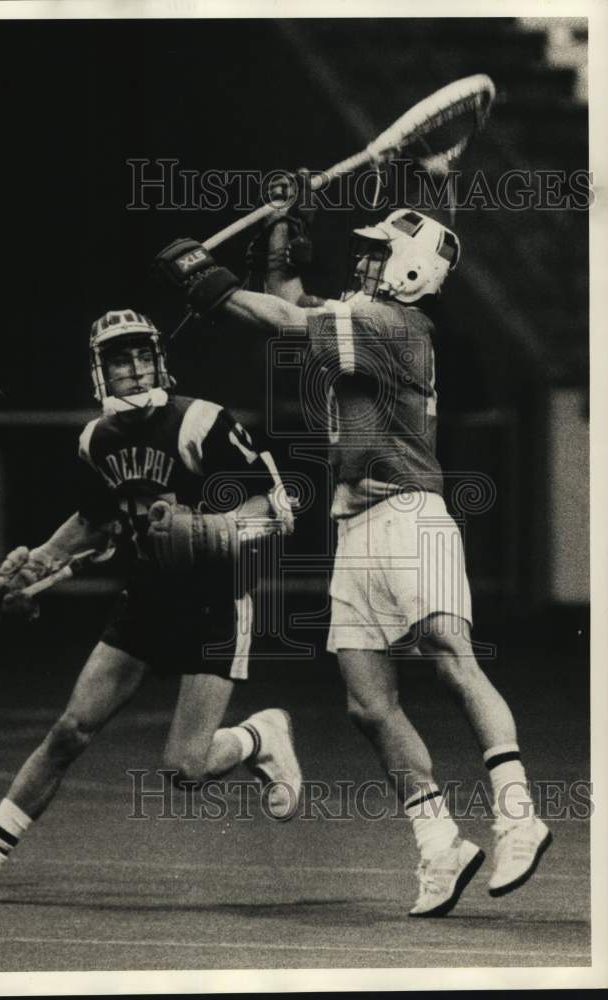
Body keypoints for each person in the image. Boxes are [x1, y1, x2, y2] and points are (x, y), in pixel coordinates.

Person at [152, 194, 551, 917]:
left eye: (375, 251)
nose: (361, 258)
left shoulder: (388, 322)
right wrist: (280, 232)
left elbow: (280, 318)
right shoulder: (359, 316)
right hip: (359, 526)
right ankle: (438, 845)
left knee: (446, 650)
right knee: (368, 706)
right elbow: (287, 299)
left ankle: (517, 812)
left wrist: (200, 278)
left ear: (407, 271)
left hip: (411, 514)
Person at [0, 309, 301, 901]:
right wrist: (35, 565)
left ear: (159, 359)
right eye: (121, 360)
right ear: (101, 372)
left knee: (184, 770)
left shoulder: (201, 422)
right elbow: (97, 521)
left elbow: (277, 506)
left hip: (214, 603)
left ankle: (257, 737)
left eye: (143, 355)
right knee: (69, 730)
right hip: (148, 597)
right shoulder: (99, 439)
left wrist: (210, 530)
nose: (136, 370)